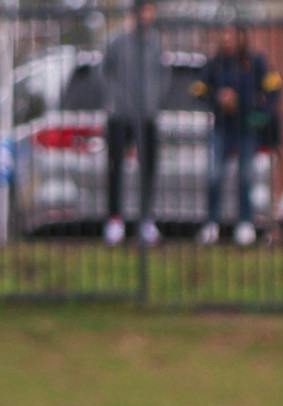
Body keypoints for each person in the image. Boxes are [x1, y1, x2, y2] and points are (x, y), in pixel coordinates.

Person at [193, 23, 281, 246]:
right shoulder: (216, 63)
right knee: (214, 175)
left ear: (242, 37)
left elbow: (274, 86)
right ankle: (212, 223)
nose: (228, 38)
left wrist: (259, 112)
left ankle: (245, 223)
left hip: (245, 128)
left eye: (232, 34)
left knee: (245, 177)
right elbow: (198, 89)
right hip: (222, 126)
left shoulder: (255, 61)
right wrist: (218, 98)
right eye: (224, 33)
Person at [101, 0, 166, 246]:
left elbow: (163, 74)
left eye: (151, 10)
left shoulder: (155, 43)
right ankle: (114, 220)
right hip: (120, 117)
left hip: (147, 116)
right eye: (144, 10)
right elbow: (104, 72)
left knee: (149, 169)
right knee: (115, 168)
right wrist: (114, 102)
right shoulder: (117, 41)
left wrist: (154, 100)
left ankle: (146, 221)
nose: (147, 15)